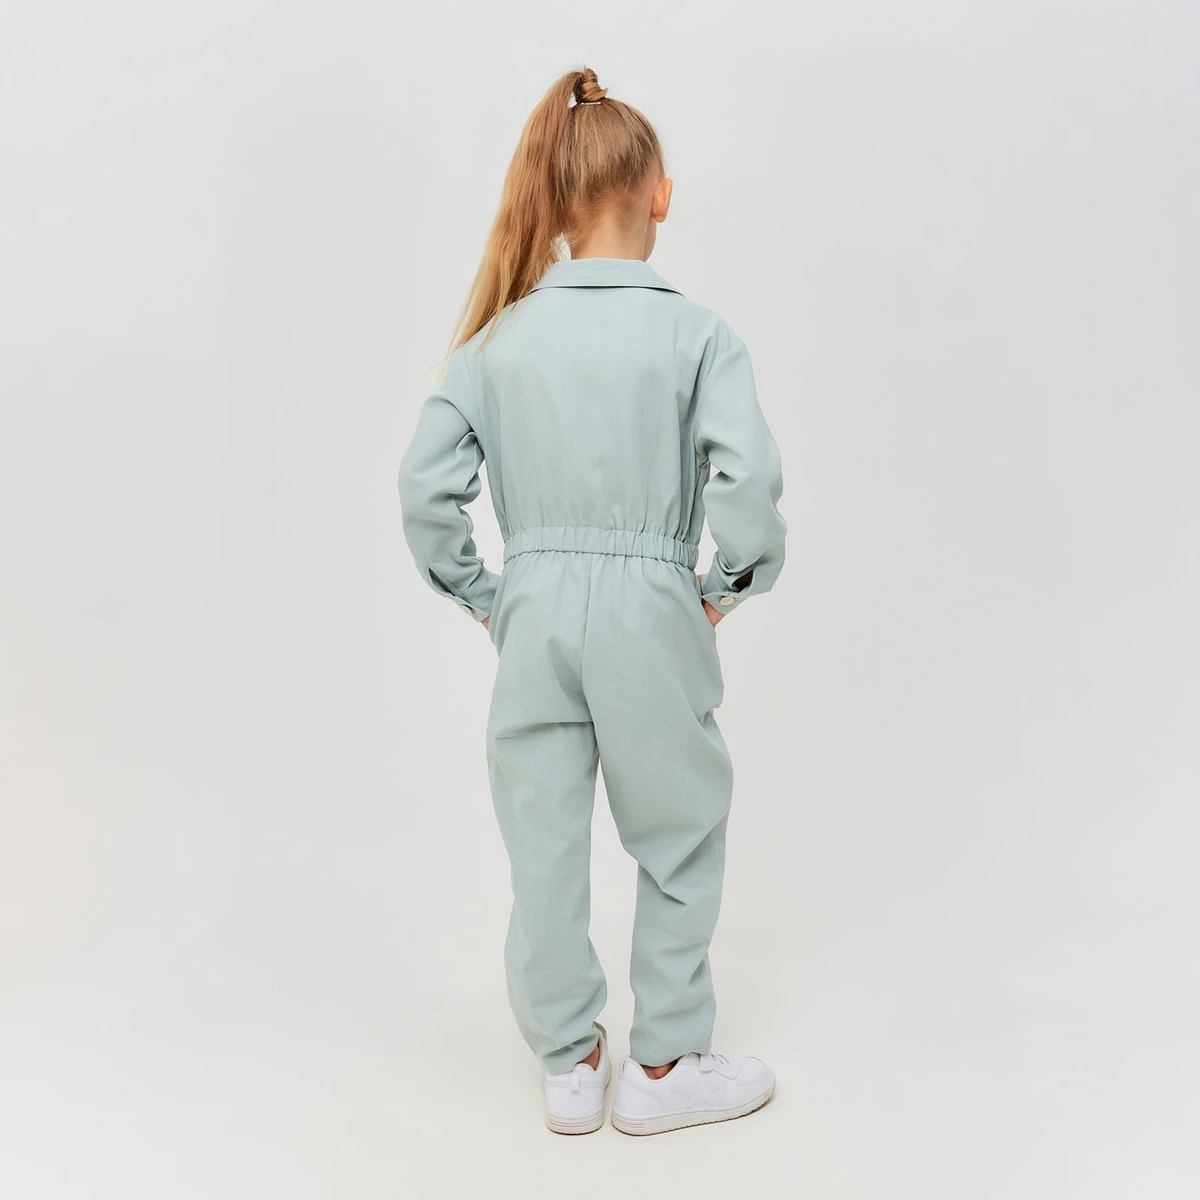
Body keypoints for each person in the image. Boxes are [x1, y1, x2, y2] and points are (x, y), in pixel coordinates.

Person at [398, 66, 787, 1136]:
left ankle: (570, 1062)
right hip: (652, 608)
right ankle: (663, 1065)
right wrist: (724, 588)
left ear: (557, 204)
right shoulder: (698, 337)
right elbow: (748, 486)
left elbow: (424, 491)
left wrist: (487, 596)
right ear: (660, 196)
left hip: (532, 609)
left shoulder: (492, 343)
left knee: (543, 840)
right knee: (678, 833)